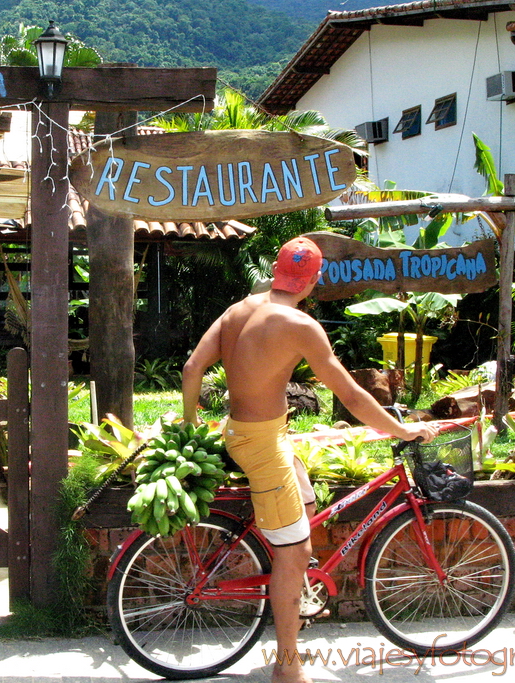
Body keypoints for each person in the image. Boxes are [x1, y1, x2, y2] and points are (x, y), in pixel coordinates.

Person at [181, 235, 438, 683]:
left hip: (250, 433)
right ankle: (288, 668)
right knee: (296, 553)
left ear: (278, 270)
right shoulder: (300, 325)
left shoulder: (240, 309)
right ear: (314, 279)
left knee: (308, 504)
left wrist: (188, 424)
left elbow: (190, 369)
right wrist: (403, 429)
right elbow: (353, 397)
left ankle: (295, 592)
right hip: (263, 445)